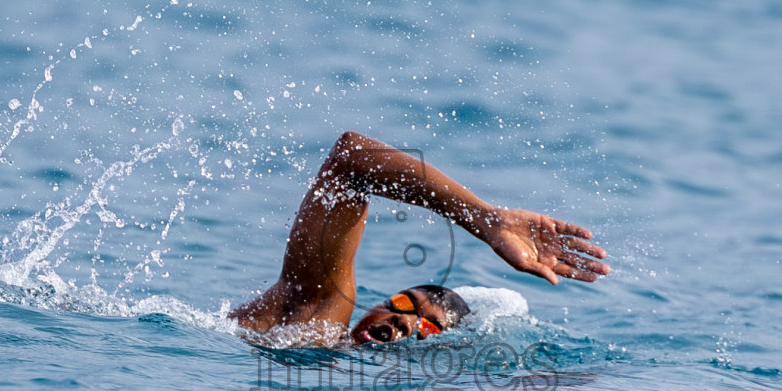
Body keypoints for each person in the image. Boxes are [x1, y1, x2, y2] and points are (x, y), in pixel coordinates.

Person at [230, 131, 609, 344]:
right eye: (401, 302)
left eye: (427, 326)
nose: (402, 320)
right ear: (374, 304)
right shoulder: (313, 314)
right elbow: (349, 160)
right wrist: (485, 219)